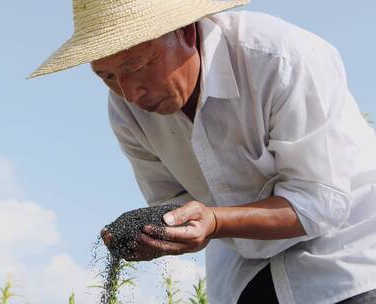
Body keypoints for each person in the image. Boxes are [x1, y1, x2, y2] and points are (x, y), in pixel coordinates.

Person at [29, 1, 376, 303]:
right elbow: (174, 203)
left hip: (347, 261)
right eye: (107, 77)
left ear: (186, 34)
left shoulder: (280, 59)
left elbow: (319, 203)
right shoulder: (125, 110)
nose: (130, 92)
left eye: (137, 66)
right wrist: (159, 232)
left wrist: (214, 220)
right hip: (247, 276)